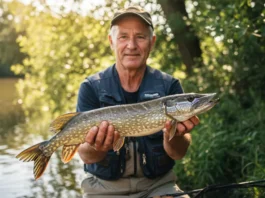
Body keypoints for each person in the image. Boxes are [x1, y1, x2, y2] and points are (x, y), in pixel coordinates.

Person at [76, 5, 199, 198]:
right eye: (123, 37)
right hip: (103, 190)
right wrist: (97, 146)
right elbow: (85, 155)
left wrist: (174, 134)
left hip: (158, 187)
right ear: (111, 41)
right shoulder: (91, 87)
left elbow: (177, 153)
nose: (131, 45)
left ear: (152, 42)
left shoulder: (169, 86)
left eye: (140, 37)